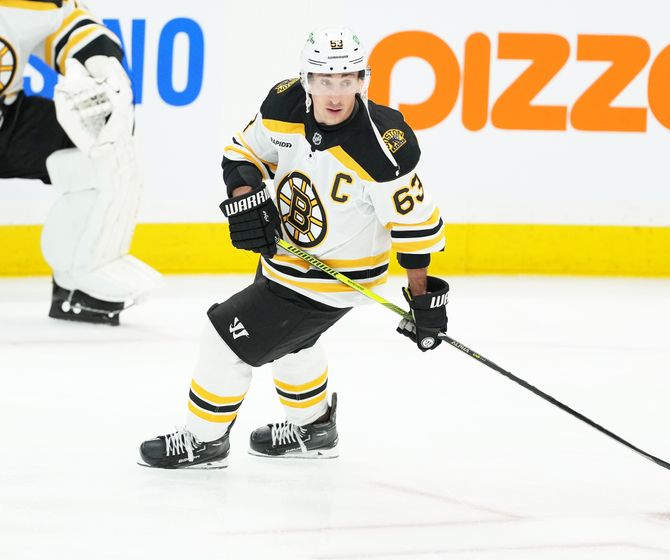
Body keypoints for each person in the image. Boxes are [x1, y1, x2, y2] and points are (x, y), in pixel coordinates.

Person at [138, 27, 449, 468]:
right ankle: (313, 429)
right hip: (285, 260)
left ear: (365, 80)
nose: (336, 92)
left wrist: (423, 300)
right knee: (295, 346)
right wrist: (246, 195)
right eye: (324, 80)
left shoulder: (383, 145)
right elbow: (242, 152)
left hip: (330, 279)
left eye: (347, 79)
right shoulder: (283, 105)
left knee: (224, 339)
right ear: (307, 80)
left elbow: (413, 227)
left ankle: (204, 440)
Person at [0, 0, 160, 325]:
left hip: (6, 121)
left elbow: (67, 24)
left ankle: (79, 280)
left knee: (103, 132)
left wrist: (102, 65)